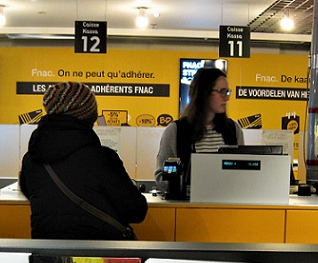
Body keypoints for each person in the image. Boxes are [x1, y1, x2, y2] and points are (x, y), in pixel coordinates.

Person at [19, 81, 147, 240]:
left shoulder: (31, 160)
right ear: (88, 115)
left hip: (46, 255)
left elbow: (32, 194)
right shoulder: (102, 158)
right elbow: (136, 211)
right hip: (99, 256)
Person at [154, 67, 245, 193]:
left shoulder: (233, 129)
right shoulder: (176, 130)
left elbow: (242, 173)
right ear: (204, 92)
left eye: (227, 92)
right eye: (221, 91)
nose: (226, 98)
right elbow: (161, 178)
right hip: (189, 208)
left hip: (226, 205)